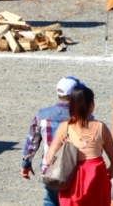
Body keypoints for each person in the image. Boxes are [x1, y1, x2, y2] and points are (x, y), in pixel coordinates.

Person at [45, 85, 113, 206]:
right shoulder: (101, 127)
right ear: (91, 106)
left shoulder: (65, 127)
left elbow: (49, 159)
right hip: (97, 176)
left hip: (71, 178)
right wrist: (110, 172)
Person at [21, 76, 80, 206]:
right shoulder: (84, 117)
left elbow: (32, 141)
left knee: (50, 201)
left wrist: (26, 164)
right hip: (76, 170)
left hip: (50, 168)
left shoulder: (42, 114)